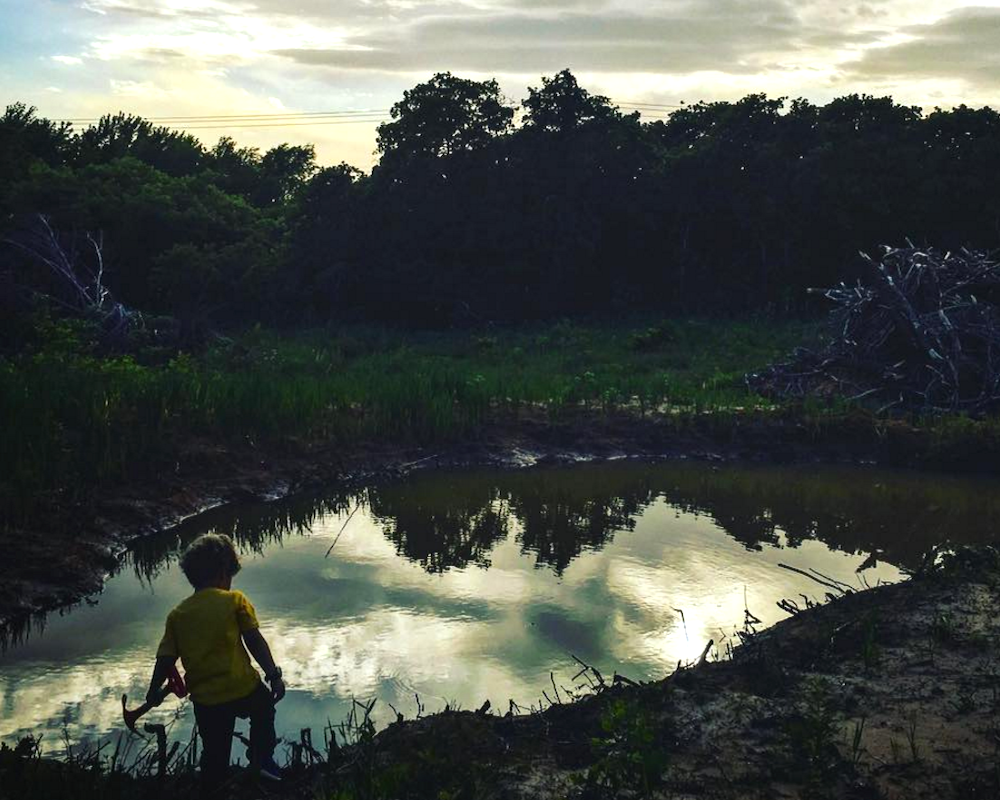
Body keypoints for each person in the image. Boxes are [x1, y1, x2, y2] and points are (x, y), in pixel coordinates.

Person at [145, 533, 286, 791]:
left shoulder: (178, 615)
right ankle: (261, 760)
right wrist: (273, 675)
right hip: (242, 687)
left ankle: (212, 787)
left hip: (206, 699)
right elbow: (254, 641)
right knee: (264, 710)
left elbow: (165, 659)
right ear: (223, 573)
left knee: (214, 751)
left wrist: (153, 690)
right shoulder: (234, 601)